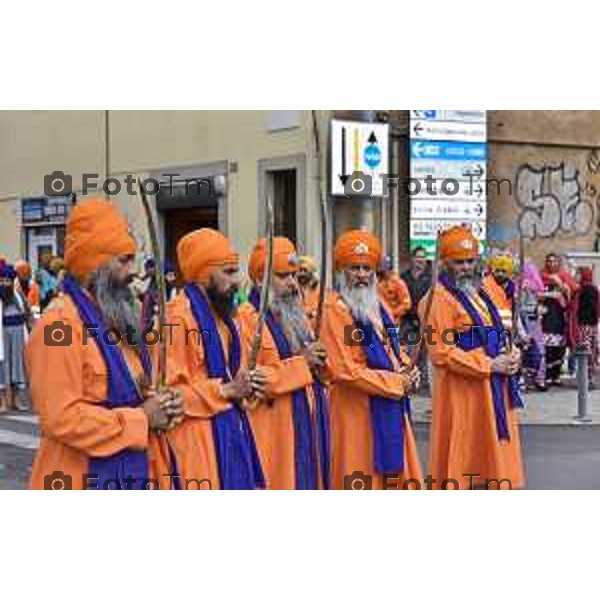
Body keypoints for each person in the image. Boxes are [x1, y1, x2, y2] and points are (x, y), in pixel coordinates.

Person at [26, 199, 183, 490]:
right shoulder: (57, 325)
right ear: (93, 266)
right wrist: (141, 418)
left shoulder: (118, 318)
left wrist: (160, 401)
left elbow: (130, 392)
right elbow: (61, 418)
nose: (134, 271)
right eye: (124, 260)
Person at [158, 228, 267, 490]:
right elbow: (169, 397)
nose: (238, 280)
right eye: (228, 272)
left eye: (236, 270)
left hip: (230, 434)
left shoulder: (227, 319)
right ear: (204, 275)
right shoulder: (176, 318)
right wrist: (226, 390)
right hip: (194, 449)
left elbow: (231, 380)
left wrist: (247, 386)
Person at [423, 226, 524, 490]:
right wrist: (489, 364)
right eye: (459, 262)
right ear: (445, 264)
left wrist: (513, 354)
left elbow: (501, 333)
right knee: (466, 460)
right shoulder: (437, 300)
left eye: (470, 261)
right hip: (463, 393)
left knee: (494, 461)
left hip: (495, 387)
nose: (466, 267)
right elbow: (440, 353)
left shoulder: (482, 294)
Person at [320, 230, 422, 490]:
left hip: (389, 405)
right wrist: (397, 383)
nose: (362, 275)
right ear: (342, 270)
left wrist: (409, 369)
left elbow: (393, 350)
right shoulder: (334, 309)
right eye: (355, 268)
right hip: (354, 415)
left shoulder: (379, 306)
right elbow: (345, 371)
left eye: (367, 268)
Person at [238, 237, 331, 489]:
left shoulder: (295, 314)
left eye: (294, 275)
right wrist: (303, 364)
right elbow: (251, 380)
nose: (292, 283)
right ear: (260, 279)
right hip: (274, 434)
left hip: (307, 426)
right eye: (283, 276)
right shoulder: (247, 319)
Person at [541, 253, 576, 386]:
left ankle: (556, 375)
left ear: (558, 263)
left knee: (559, 348)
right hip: (546, 317)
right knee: (547, 347)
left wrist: (560, 283)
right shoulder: (541, 275)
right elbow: (535, 293)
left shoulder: (564, 276)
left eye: (554, 261)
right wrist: (548, 294)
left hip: (560, 317)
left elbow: (571, 294)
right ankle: (548, 375)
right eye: (549, 261)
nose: (551, 264)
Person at [0, 264, 30, 412]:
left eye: (7, 280)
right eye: (2, 280)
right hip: (3, 332)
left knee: (17, 365)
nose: (5, 283)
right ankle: (4, 402)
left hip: (18, 330)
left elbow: (27, 311)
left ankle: (15, 400)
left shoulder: (17, 294)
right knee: (4, 364)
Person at [400, 246, 432, 380]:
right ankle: (410, 378)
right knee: (409, 351)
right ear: (412, 259)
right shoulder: (404, 277)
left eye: (423, 257)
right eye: (418, 257)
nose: (420, 260)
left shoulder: (431, 279)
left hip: (426, 320)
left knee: (424, 352)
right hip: (408, 320)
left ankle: (423, 382)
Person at [567, 267, 600, 388]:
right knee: (589, 351)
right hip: (589, 325)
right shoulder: (586, 289)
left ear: (583, 275)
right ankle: (587, 379)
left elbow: (588, 309)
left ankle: (587, 380)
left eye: (577, 274)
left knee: (585, 352)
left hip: (585, 326)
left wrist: (581, 323)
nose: (575, 276)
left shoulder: (586, 290)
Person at [518, 260, 548, 391]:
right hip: (529, 321)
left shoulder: (524, 286)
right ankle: (536, 380)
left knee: (530, 351)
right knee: (535, 351)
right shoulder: (526, 286)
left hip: (530, 321)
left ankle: (531, 380)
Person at [377, 255, 411, 324]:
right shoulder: (377, 282)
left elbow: (406, 304)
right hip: (378, 322)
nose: (382, 272)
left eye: (384, 270)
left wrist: (391, 312)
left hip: (392, 322)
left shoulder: (398, 283)